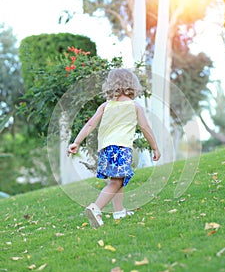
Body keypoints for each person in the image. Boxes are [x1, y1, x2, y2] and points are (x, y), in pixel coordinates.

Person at [67, 68, 161, 228]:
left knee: (117, 179)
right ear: (132, 85)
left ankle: (119, 211)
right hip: (121, 147)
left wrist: (76, 141)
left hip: (105, 148)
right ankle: (96, 208)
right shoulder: (135, 106)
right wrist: (155, 148)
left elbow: (90, 124)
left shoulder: (106, 105)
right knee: (116, 181)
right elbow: (145, 127)